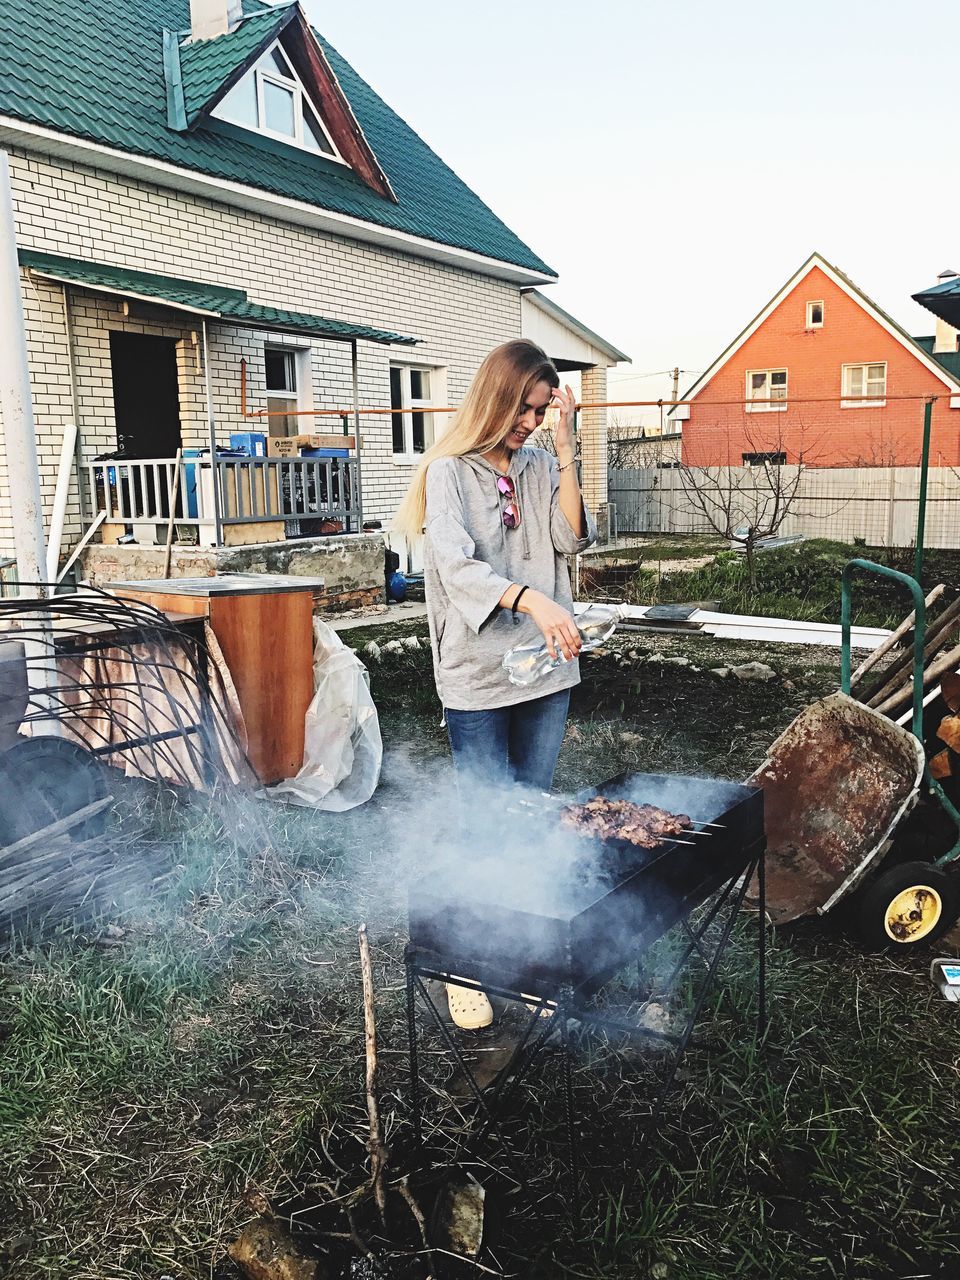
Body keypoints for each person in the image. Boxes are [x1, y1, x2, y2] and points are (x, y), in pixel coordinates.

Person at [395, 338, 597, 1028]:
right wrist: (535, 601)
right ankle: (463, 962)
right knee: (485, 821)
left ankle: (522, 956)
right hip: (479, 676)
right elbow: (455, 568)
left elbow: (572, 542)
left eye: (542, 411)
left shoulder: (542, 463)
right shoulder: (449, 472)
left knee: (530, 816)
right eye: (526, 409)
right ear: (496, 399)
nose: (532, 422)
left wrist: (567, 451)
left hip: (545, 668)